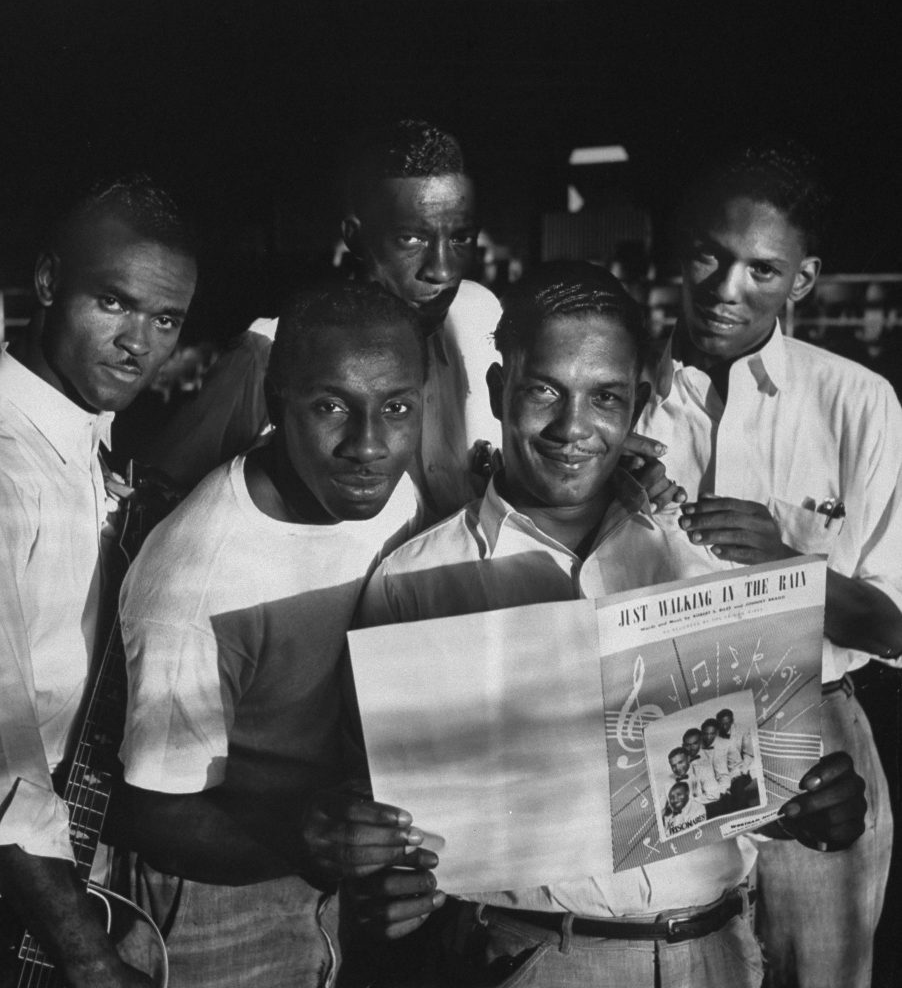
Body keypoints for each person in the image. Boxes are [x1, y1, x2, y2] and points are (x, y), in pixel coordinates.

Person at [352, 262, 866, 988]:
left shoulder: (706, 564)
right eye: (543, 390)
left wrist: (811, 807)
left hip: (719, 951)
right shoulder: (412, 585)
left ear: (637, 406)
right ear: (499, 391)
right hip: (536, 959)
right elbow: (387, 824)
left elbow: (734, 784)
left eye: (604, 398)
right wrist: (386, 875)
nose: (572, 427)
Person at [114, 281, 436, 988]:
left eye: (398, 408)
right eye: (330, 407)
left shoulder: (395, 497)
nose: (369, 444)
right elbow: (150, 813)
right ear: (275, 399)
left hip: (340, 877)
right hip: (214, 907)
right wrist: (311, 841)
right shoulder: (194, 579)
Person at [636, 142, 902, 988]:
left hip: (814, 733)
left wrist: (789, 567)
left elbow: (893, 624)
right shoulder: (614, 392)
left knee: (820, 976)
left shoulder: (857, 403)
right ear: (679, 250)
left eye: (763, 268)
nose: (726, 289)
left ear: (804, 279)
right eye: (711, 255)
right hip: (650, 733)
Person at [146, 119, 676, 517]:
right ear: (354, 235)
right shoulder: (271, 350)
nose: (442, 269)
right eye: (412, 238)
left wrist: (592, 460)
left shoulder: (479, 312)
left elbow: (530, 441)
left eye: (460, 237)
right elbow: (152, 497)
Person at [0, 175, 198, 988]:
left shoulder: (85, 447)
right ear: (49, 283)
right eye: (113, 303)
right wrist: (86, 958)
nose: (138, 343)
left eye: (165, 320)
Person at [683, 728, 729, 817]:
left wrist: (722, 792)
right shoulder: (683, 763)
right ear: (683, 746)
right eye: (688, 745)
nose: (691, 748)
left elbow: (723, 777)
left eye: (695, 744)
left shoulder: (711, 756)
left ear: (700, 743)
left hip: (715, 803)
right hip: (697, 807)